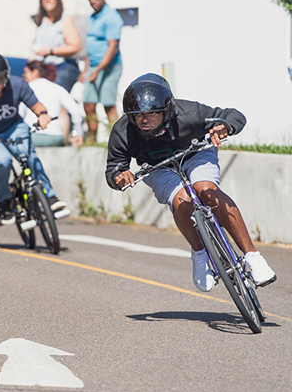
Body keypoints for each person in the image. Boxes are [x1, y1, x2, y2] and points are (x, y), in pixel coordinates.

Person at [106, 73, 276, 292]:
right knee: (182, 201)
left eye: (151, 113)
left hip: (196, 154)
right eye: (137, 115)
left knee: (205, 190)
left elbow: (233, 115)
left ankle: (253, 256)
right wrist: (119, 176)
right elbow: (114, 168)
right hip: (158, 167)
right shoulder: (123, 131)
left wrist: (225, 127)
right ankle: (199, 253)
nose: (144, 120)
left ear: (166, 110)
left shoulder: (189, 113)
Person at [0, 52, 68, 226]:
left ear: (6, 77)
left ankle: (49, 197)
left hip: (13, 129)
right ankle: (4, 202)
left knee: (29, 156)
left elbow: (36, 105)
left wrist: (43, 115)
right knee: (1, 161)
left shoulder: (18, 85)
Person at [80, 0, 123, 144]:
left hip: (109, 67)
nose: (92, 0)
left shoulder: (112, 17)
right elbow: (90, 47)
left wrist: (98, 70)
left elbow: (112, 48)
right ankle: (92, 140)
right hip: (93, 67)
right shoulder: (92, 17)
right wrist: (86, 69)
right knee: (88, 104)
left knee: (108, 105)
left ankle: (117, 143)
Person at [20, 60, 84, 148]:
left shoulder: (26, 88)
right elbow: (76, 111)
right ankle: (66, 142)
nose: (23, 76)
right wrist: (77, 134)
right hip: (56, 137)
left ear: (35, 72)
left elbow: (19, 114)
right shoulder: (57, 88)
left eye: (25, 72)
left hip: (31, 137)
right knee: (62, 112)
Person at [30, 0, 82, 93]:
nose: (47, 0)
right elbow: (36, 44)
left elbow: (75, 46)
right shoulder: (43, 20)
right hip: (45, 69)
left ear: (58, 0)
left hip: (63, 68)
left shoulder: (65, 19)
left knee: (56, 101)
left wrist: (50, 51)